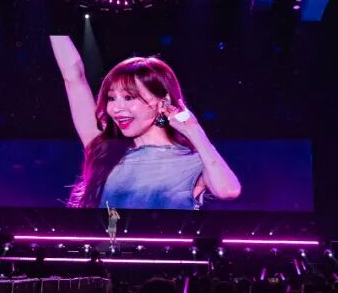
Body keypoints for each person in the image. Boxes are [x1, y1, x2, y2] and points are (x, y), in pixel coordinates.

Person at [50, 35, 241, 210]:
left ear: (162, 101)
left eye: (129, 97)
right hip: (107, 239)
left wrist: (194, 131)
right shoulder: (105, 149)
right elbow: (73, 77)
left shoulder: (193, 161)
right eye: (111, 98)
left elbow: (228, 191)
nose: (116, 108)